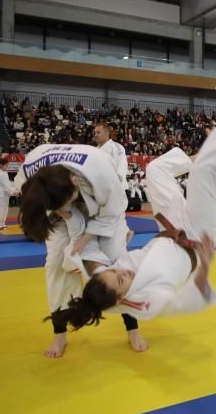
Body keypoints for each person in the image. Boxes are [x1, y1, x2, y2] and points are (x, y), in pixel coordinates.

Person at [59, 83, 216, 330]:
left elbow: (77, 258)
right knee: (206, 168)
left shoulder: (99, 281)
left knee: (155, 169)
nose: (122, 273)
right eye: (120, 279)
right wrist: (205, 265)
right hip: (197, 241)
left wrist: (81, 236)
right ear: (121, 299)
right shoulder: (148, 302)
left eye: (114, 271)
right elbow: (197, 297)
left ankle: (199, 157)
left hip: (170, 228)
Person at [15, 134, 142, 358]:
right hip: (60, 214)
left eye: (70, 201)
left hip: (104, 211)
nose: (70, 205)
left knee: (114, 263)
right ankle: (59, 332)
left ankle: (132, 327)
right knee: (55, 264)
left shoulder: (101, 168)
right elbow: (36, 205)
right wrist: (64, 213)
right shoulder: (30, 171)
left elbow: (113, 211)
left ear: (74, 180)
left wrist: (85, 238)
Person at [93, 122, 128, 191]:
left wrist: (115, 184)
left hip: (117, 189)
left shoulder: (116, 147)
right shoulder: (95, 150)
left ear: (107, 133)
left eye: (98, 132)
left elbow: (121, 166)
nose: (95, 135)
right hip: (100, 189)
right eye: (95, 133)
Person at [0, 159, 17, 230]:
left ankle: (2, 224)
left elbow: (8, 183)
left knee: (5, 209)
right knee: (0, 209)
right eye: (6, 165)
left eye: (7, 165)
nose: (7, 167)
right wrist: (14, 192)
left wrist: (15, 188)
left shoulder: (5, 173)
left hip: (5, 193)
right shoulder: (0, 174)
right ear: (1, 165)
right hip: (0, 193)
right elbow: (6, 186)